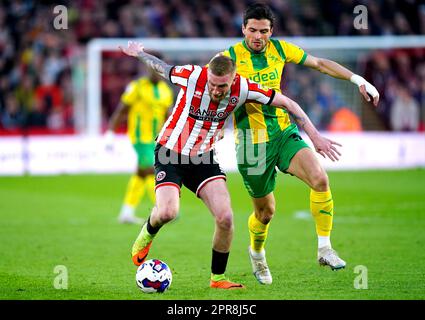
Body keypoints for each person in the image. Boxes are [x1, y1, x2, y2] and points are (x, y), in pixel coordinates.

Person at [120, 40, 341, 289]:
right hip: (171, 152)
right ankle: (146, 234)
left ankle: (218, 279)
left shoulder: (244, 88)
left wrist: (315, 136)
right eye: (212, 85)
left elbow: (288, 104)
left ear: (233, 79)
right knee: (168, 213)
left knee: (225, 217)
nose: (216, 91)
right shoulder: (192, 75)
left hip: (203, 158)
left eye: (222, 86)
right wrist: (139, 53)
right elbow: (162, 67)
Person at [221, 3, 380, 284]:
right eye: (253, 30)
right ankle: (257, 252)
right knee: (265, 212)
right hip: (251, 144)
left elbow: (319, 63)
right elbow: (209, 89)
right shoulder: (228, 58)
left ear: (272, 31)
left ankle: (324, 248)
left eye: (264, 31)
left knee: (319, 178)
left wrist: (358, 79)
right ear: (243, 28)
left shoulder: (281, 49)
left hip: (283, 131)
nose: (258, 36)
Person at [105, 54, 174, 224]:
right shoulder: (137, 87)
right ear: (148, 68)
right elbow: (122, 110)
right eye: (152, 68)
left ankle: (127, 212)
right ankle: (162, 206)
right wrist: (110, 133)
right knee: (152, 169)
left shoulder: (166, 91)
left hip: (155, 138)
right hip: (139, 137)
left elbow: (168, 116)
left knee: (141, 173)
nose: (155, 71)